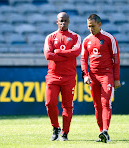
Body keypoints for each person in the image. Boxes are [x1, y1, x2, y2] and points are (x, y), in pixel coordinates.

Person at [81, 14, 121, 143]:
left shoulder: (109, 38)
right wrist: (85, 75)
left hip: (106, 75)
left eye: (92, 26)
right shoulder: (86, 40)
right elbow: (83, 60)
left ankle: (105, 131)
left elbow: (116, 60)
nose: (90, 29)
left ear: (99, 24)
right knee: (97, 106)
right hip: (93, 76)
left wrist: (116, 78)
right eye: (88, 26)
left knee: (106, 103)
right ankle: (101, 132)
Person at [43, 12, 82, 141]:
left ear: (69, 21)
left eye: (65, 20)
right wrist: (67, 55)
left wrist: (58, 52)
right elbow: (48, 55)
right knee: (49, 103)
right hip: (53, 76)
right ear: (56, 21)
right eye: (61, 20)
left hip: (69, 77)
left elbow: (76, 52)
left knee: (67, 106)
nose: (63, 23)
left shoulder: (75, 37)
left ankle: (65, 133)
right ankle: (55, 128)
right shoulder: (50, 37)